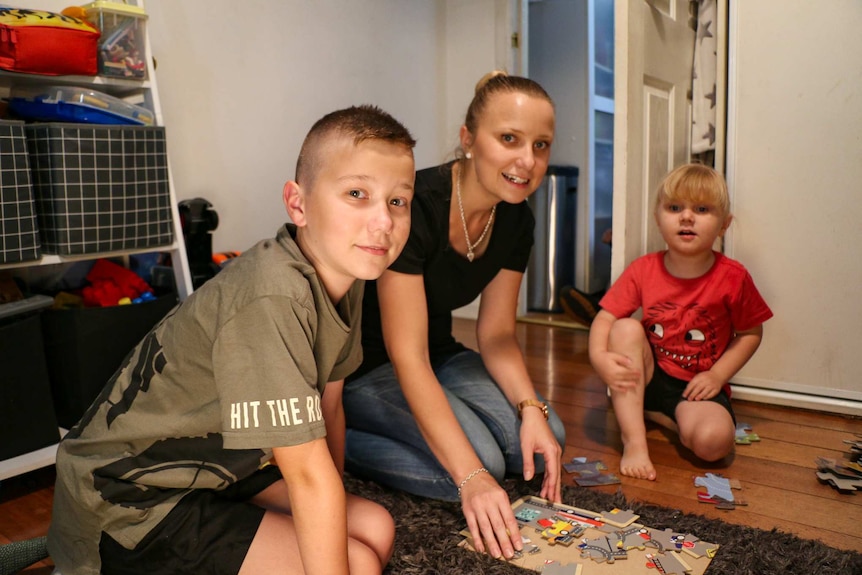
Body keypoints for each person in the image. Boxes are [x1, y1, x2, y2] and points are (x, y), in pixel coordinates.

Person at [47, 105, 417, 575]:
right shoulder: (270, 296)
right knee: (357, 563)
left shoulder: (347, 269)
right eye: (357, 194)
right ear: (298, 203)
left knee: (374, 528)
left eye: (397, 201)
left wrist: (331, 510)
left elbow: (330, 407)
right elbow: (304, 473)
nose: (382, 222)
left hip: (216, 470)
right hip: (127, 500)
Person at [342, 71, 566, 561]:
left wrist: (531, 410)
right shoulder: (415, 206)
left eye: (541, 145)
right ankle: (336, 439)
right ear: (469, 139)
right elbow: (408, 357)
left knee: (544, 437)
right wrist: (473, 478)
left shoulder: (517, 218)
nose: (527, 161)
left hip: (438, 353)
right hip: (370, 366)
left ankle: (466, 447)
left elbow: (499, 334)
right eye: (509, 138)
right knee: (478, 463)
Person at [588, 163, 772, 481]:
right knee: (624, 327)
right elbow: (605, 317)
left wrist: (717, 375)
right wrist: (599, 357)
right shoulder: (643, 269)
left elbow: (751, 333)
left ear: (723, 225)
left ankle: (663, 415)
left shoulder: (733, 277)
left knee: (714, 444)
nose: (687, 217)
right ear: (659, 219)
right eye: (675, 208)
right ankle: (634, 440)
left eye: (701, 209)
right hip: (647, 375)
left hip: (698, 387)